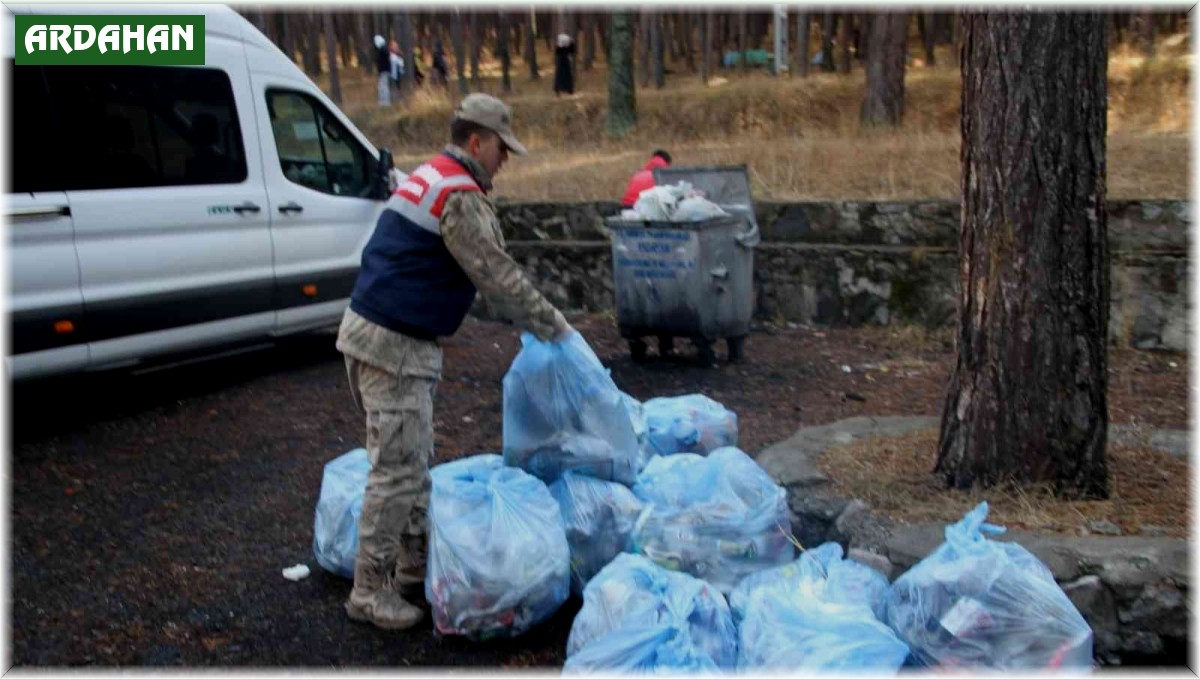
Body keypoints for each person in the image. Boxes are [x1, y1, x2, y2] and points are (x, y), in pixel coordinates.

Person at [336, 93, 574, 630]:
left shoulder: (429, 174)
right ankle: (369, 591)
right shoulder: (460, 196)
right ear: (476, 141)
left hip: (375, 334)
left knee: (411, 458)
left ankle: (415, 568)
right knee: (396, 470)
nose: (504, 160)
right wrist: (556, 328)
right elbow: (499, 276)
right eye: (500, 149)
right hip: (392, 345)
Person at [621, 149, 675, 359]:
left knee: (638, 275)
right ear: (667, 162)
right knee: (662, 278)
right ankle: (666, 341)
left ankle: (636, 337)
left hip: (629, 221)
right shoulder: (665, 175)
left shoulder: (639, 174)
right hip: (655, 225)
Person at [374, 35, 391, 106]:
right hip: (384, 70)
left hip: (384, 71)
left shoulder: (383, 49)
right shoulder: (384, 49)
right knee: (382, 86)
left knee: (383, 86)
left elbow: (382, 61)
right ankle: (383, 101)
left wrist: (380, 70)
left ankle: (385, 102)